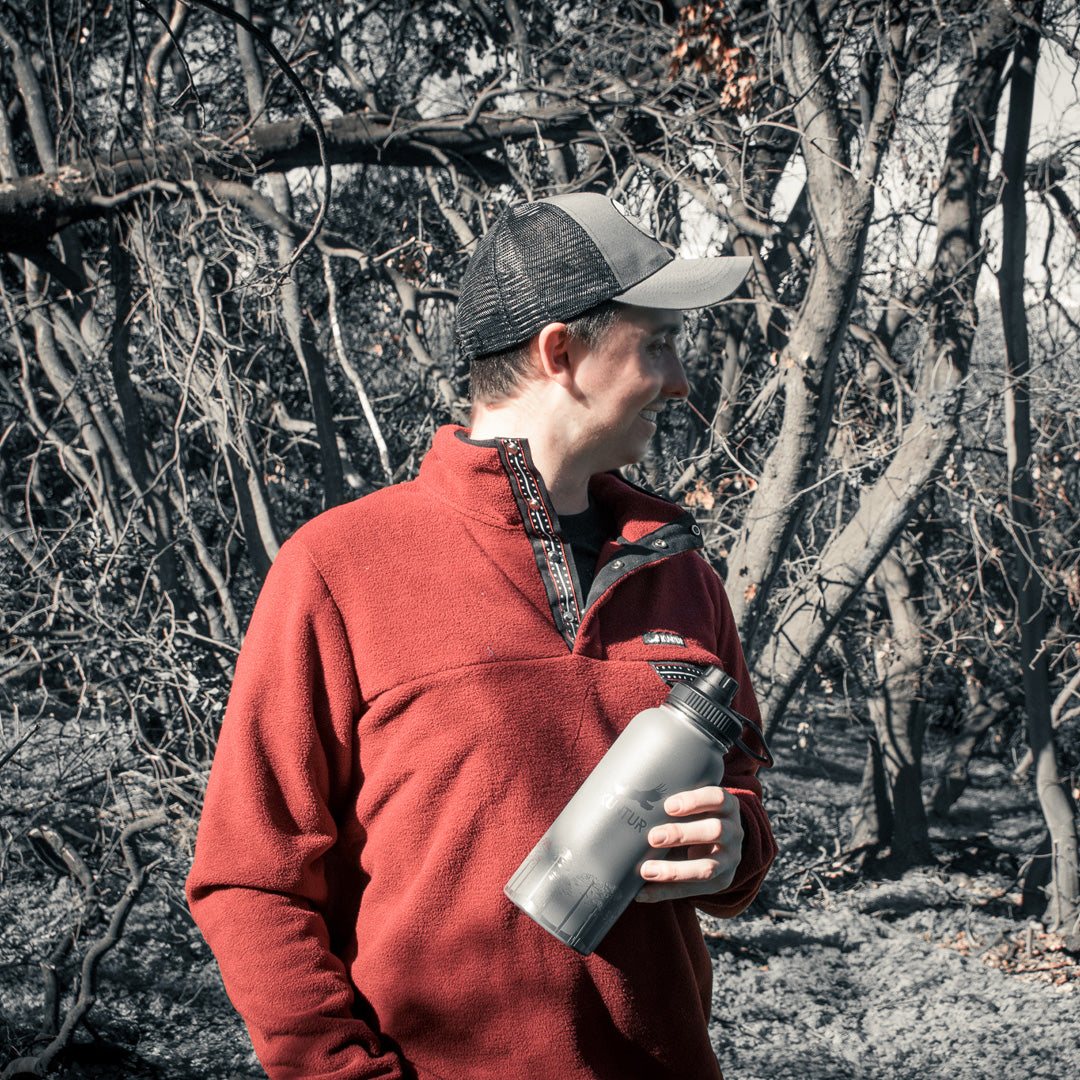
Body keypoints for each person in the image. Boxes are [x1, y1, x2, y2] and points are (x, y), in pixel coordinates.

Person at [187, 192, 777, 1080]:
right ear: (560, 352)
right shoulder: (341, 567)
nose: (681, 379)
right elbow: (250, 878)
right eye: (657, 343)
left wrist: (733, 848)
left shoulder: (681, 570)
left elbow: (741, 796)